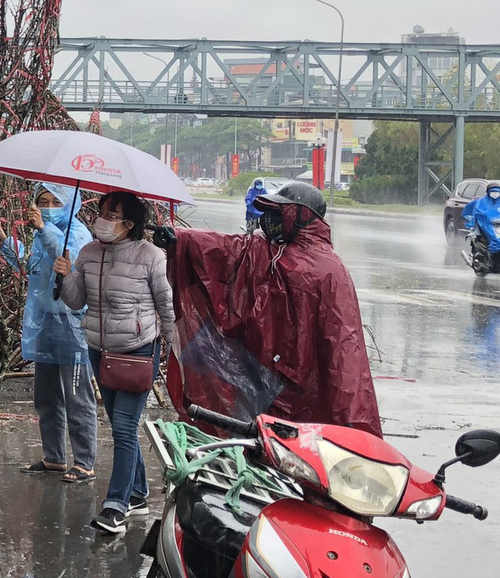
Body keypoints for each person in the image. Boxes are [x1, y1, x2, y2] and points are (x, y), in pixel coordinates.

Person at [159, 181, 384, 436]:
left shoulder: (329, 272)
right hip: (259, 375)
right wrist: (179, 239)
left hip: (298, 388)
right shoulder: (267, 251)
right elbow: (226, 248)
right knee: (250, 444)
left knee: (287, 449)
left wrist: (352, 420)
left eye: (280, 212)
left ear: (300, 215)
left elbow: (344, 349)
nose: (271, 219)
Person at [56, 189, 177, 536]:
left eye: (112, 215)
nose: (103, 220)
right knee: (120, 425)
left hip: (138, 351)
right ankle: (137, 494)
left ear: (129, 223)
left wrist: (175, 348)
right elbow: (77, 300)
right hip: (100, 350)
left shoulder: (151, 256)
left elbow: (166, 305)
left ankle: (115, 508)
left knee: (124, 428)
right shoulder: (89, 253)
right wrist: (67, 276)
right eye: (102, 212)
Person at [0, 184, 99, 482]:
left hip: (74, 328)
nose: (48, 206)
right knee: (46, 397)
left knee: (77, 397)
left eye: (56, 201)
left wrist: (43, 229)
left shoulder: (78, 233)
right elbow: (33, 267)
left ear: (70, 204)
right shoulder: (40, 234)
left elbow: (68, 259)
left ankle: (84, 461)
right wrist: (7, 243)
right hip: (46, 325)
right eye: (42, 201)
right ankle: (54, 456)